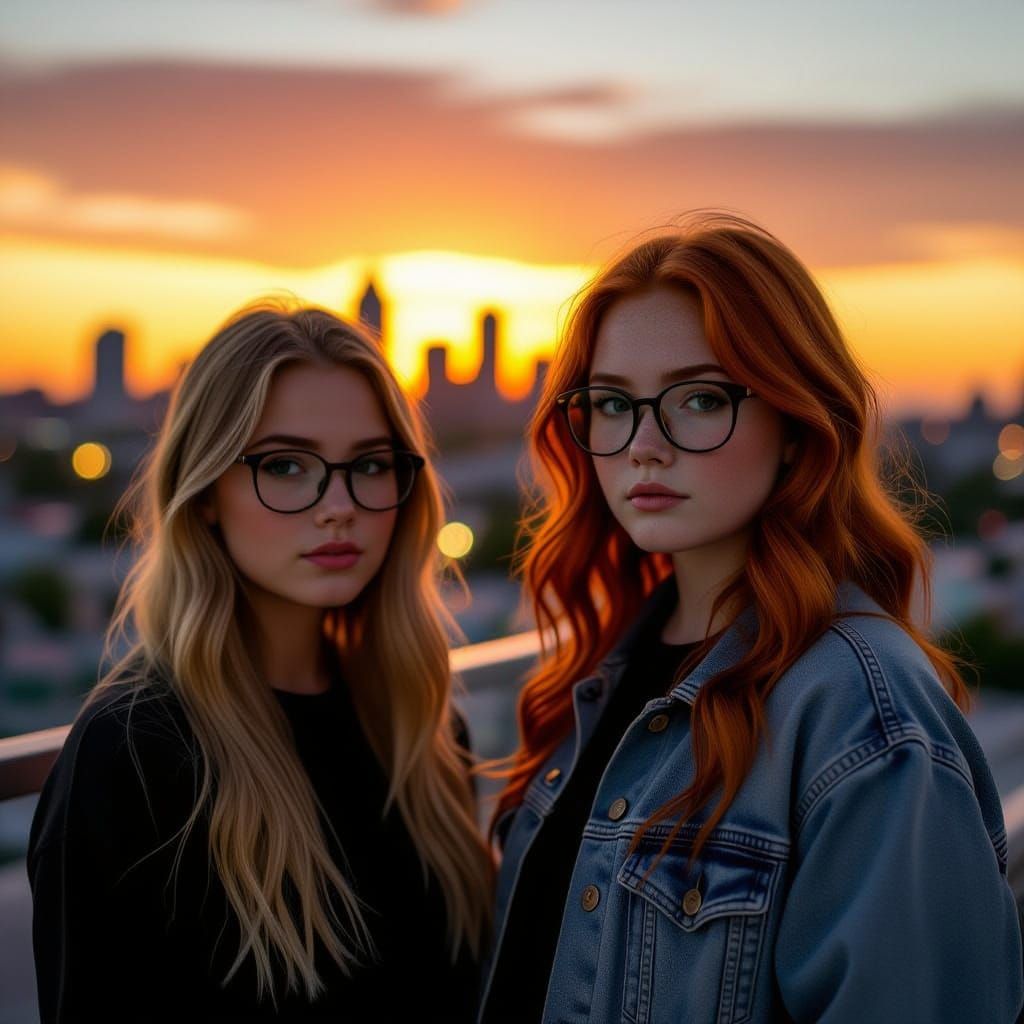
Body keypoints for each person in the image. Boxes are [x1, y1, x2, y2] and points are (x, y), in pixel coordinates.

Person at [478, 214, 1023, 1023]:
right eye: (612, 403)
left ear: (797, 429)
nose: (644, 446)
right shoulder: (597, 678)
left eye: (699, 399)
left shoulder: (864, 718)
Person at [28, 303, 493, 1022]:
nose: (338, 505)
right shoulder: (134, 755)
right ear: (207, 491)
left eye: (369, 464)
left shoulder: (422, 731)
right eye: (285, 465)